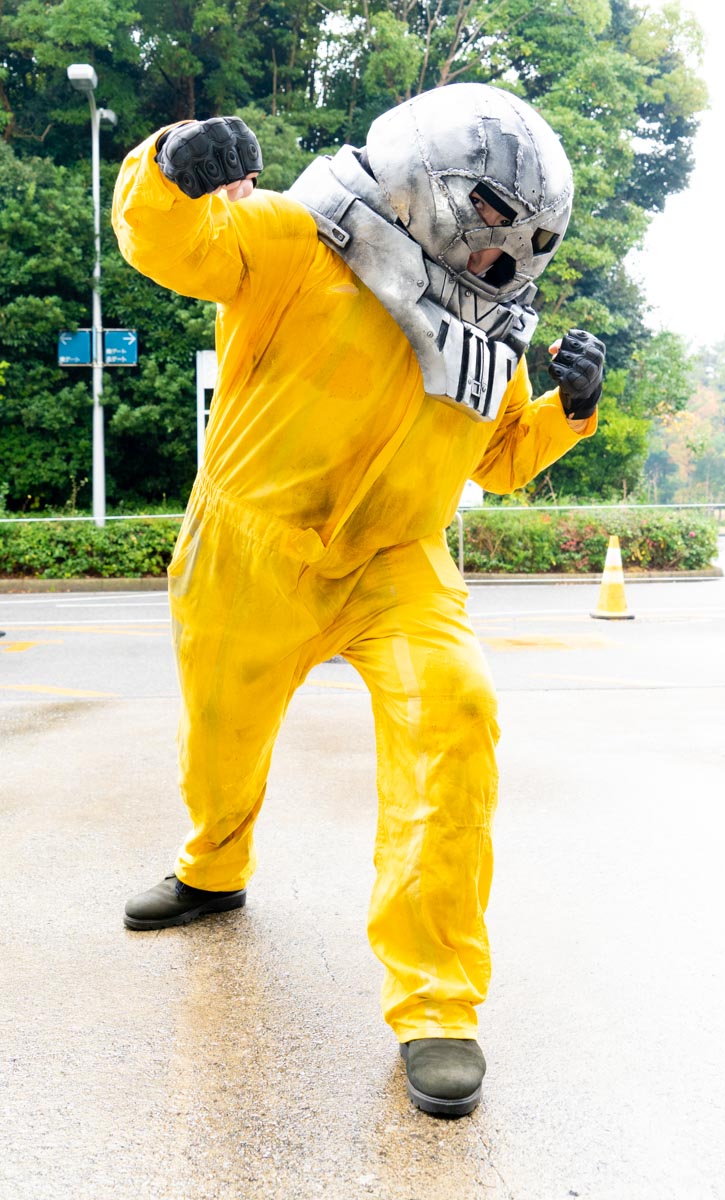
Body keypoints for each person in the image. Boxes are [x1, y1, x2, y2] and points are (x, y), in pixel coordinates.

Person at [112, 83, 605, 1118]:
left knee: (455, 717)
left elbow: (502, 458)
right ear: (428, 178)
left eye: (519, 239)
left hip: (397, 560)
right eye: (487, 222)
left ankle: (436, 1003)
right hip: (251, 545)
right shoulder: (295, 236)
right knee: (222, 736)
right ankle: (212, 867)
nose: (498, 255)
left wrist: (567, 408)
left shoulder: (490, 326)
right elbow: (171, 246)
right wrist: (170, 165)